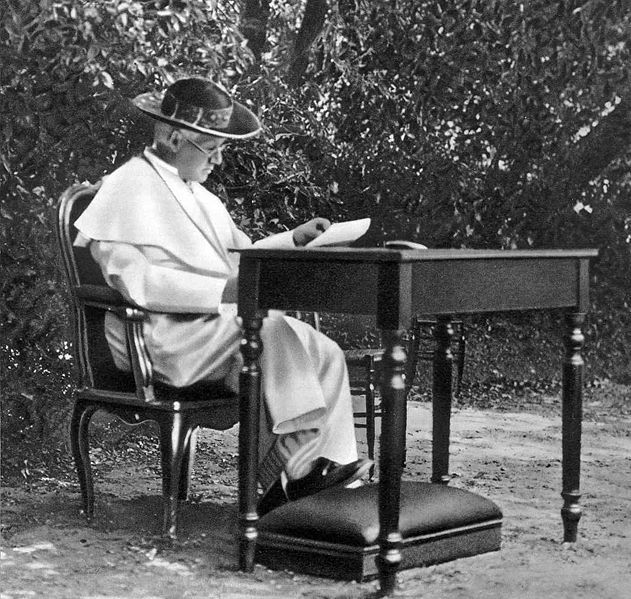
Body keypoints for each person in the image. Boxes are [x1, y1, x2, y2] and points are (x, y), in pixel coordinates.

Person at [73, 77, 371, 514]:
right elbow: (139, 282)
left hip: (211, 328)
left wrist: (295, 239)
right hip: (160, 333)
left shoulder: (202, 196)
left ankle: (325, 483)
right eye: (210, 147)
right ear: (174, 138)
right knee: (271, 331)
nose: (218, 158)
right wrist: (222, 289)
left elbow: (241, 255)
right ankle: (296, 472)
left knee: (322, 350)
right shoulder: (126, 187)